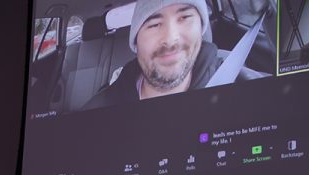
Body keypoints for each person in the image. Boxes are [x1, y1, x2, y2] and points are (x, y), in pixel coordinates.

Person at [83, 0, 271, 110]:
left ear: (200, 28)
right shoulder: (98, 111)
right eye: (154, 24)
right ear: (136, 41)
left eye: (185, 18)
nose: (171, 39)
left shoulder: (249, 90)